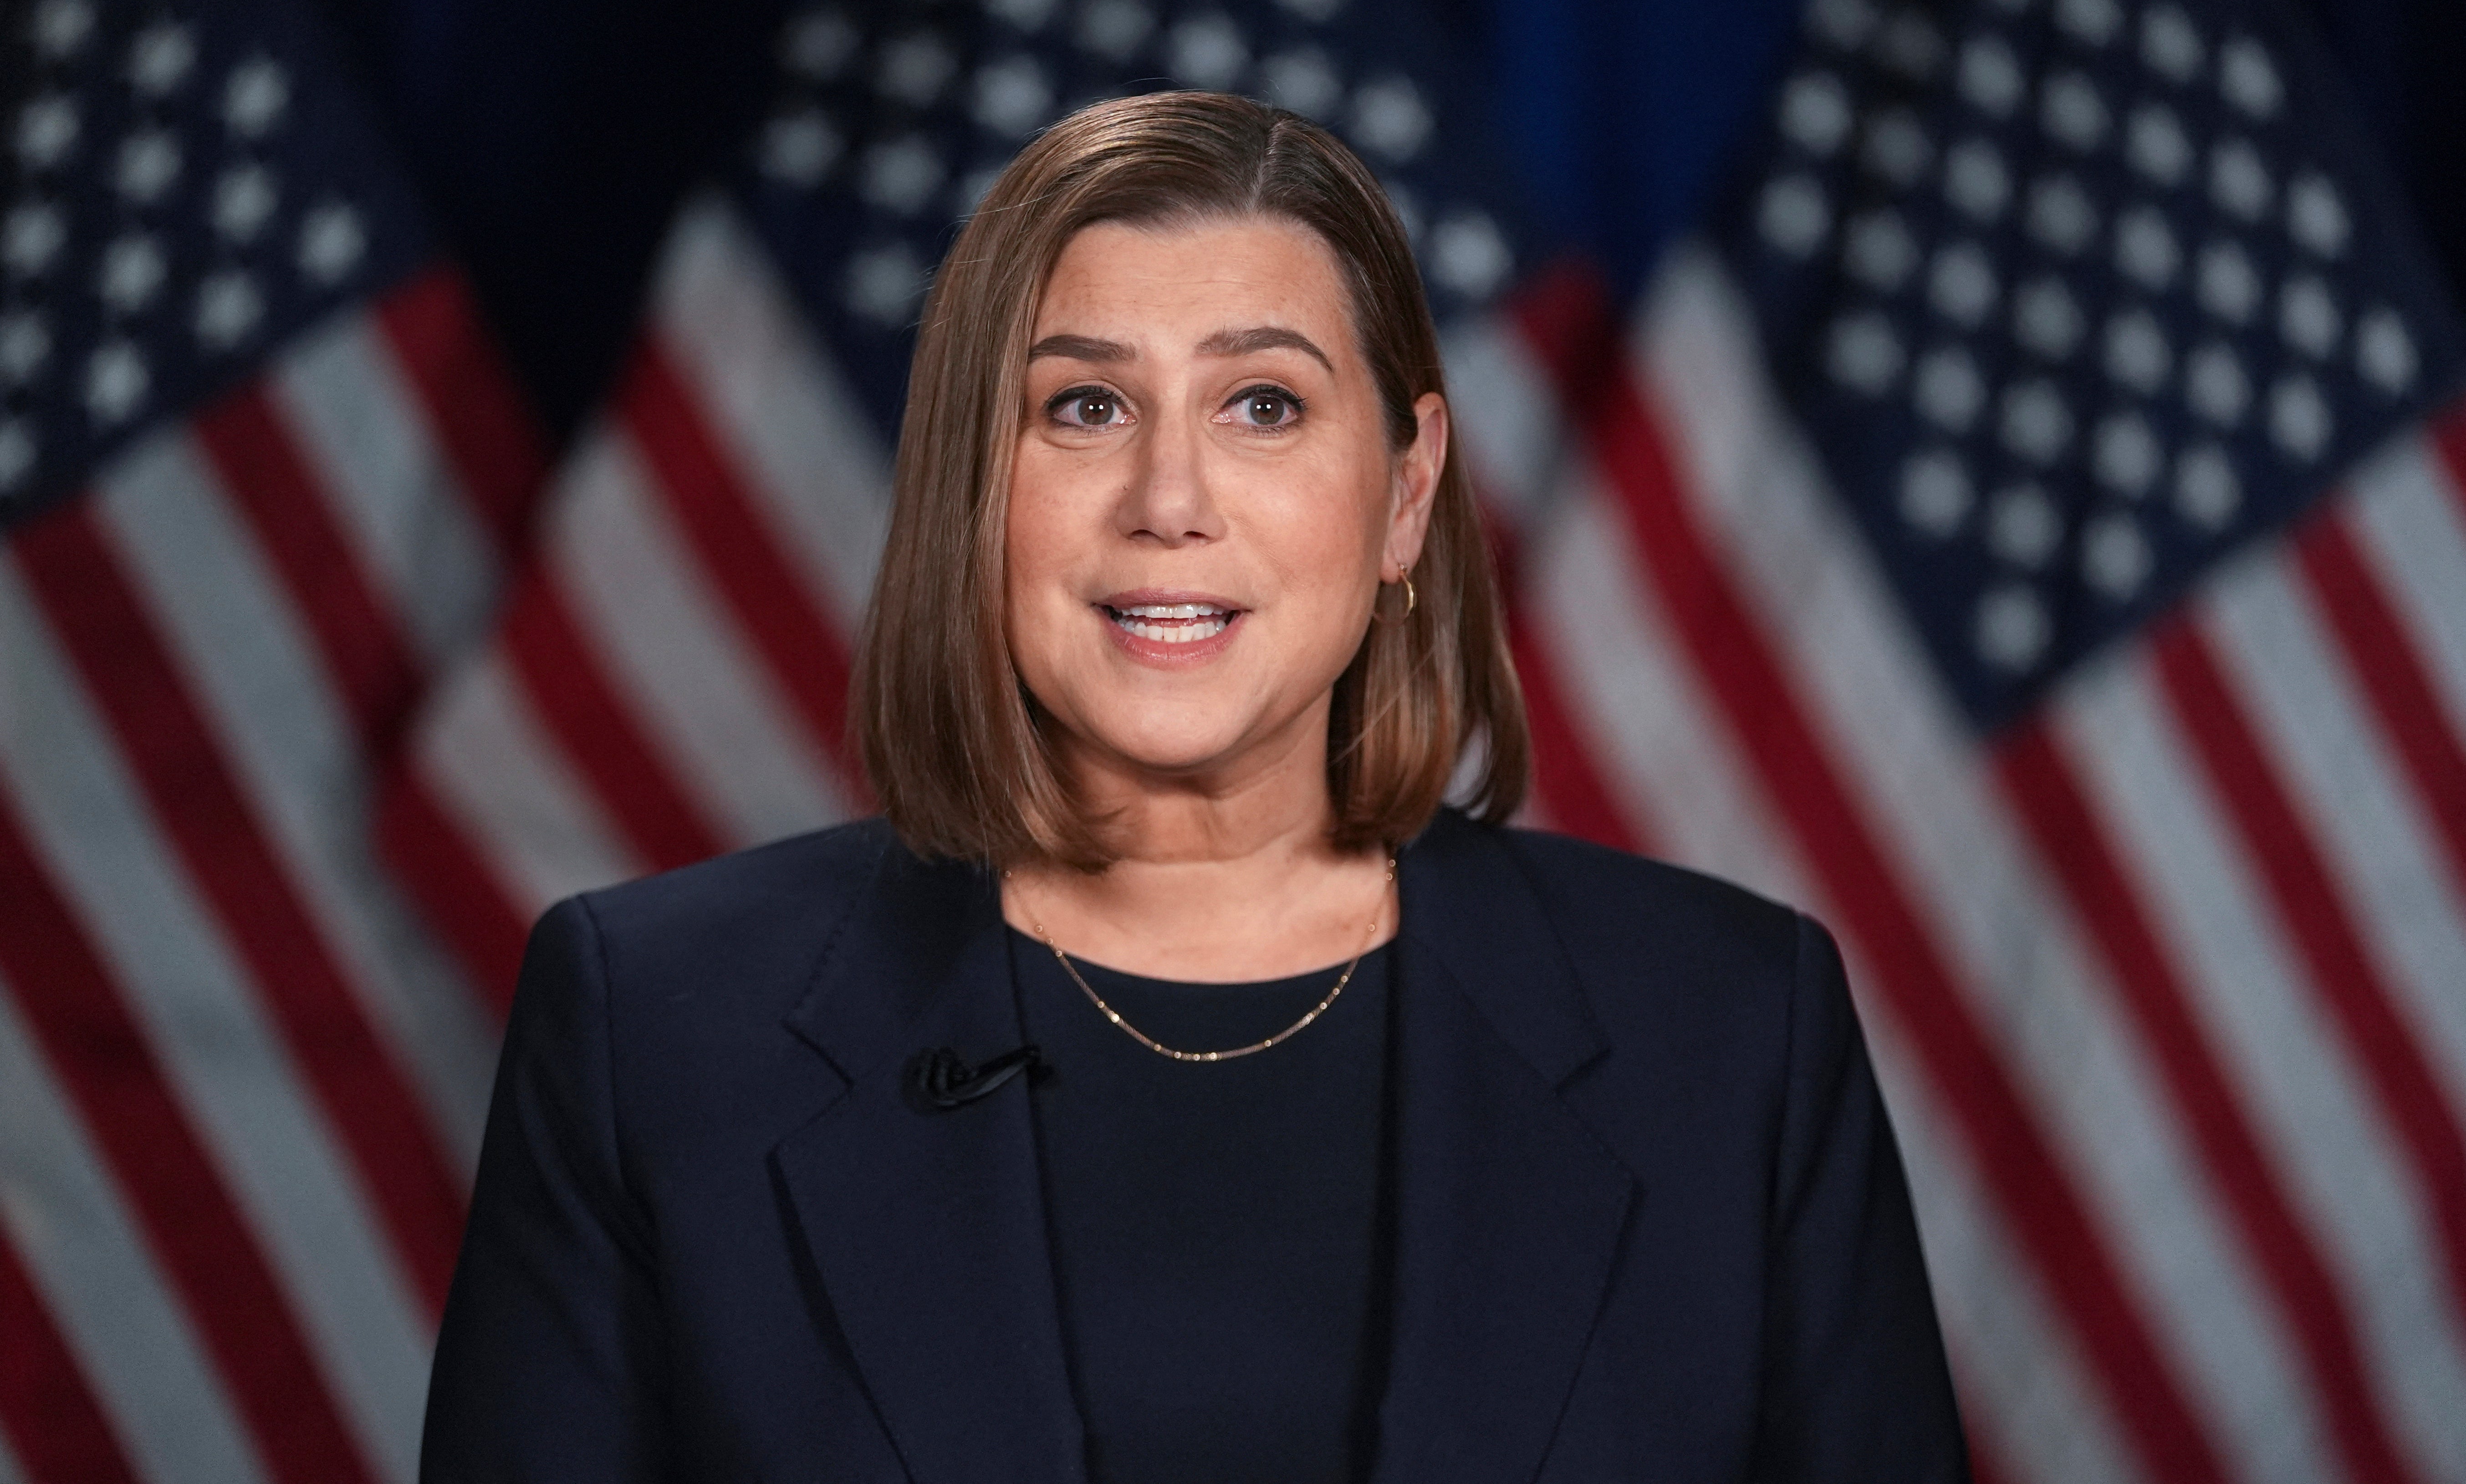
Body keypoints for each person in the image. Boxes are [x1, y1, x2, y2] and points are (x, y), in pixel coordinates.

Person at [420, 90, 1968, 1483]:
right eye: (1084, 406)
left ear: (1405, 493)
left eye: (1263, 405)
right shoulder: (656, 1027)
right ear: (976, 488)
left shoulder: (1728, 1029)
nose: (1169, 500)